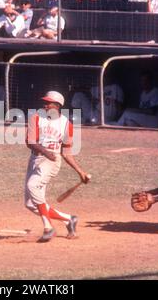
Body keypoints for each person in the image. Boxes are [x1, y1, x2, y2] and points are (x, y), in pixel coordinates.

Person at [25, 90, 91, 242]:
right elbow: (30, 142)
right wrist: (45, 152)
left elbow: (66, 153)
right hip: (36, 160)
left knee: (33, 186)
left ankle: (48, 227)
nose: (45, 105)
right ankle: (69, 219)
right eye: (45, 102)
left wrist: (80, 171)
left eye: (48, 103)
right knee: (30, 203)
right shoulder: (36, 118)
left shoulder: (67, 124)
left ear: (57, 106)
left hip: (52, 162)